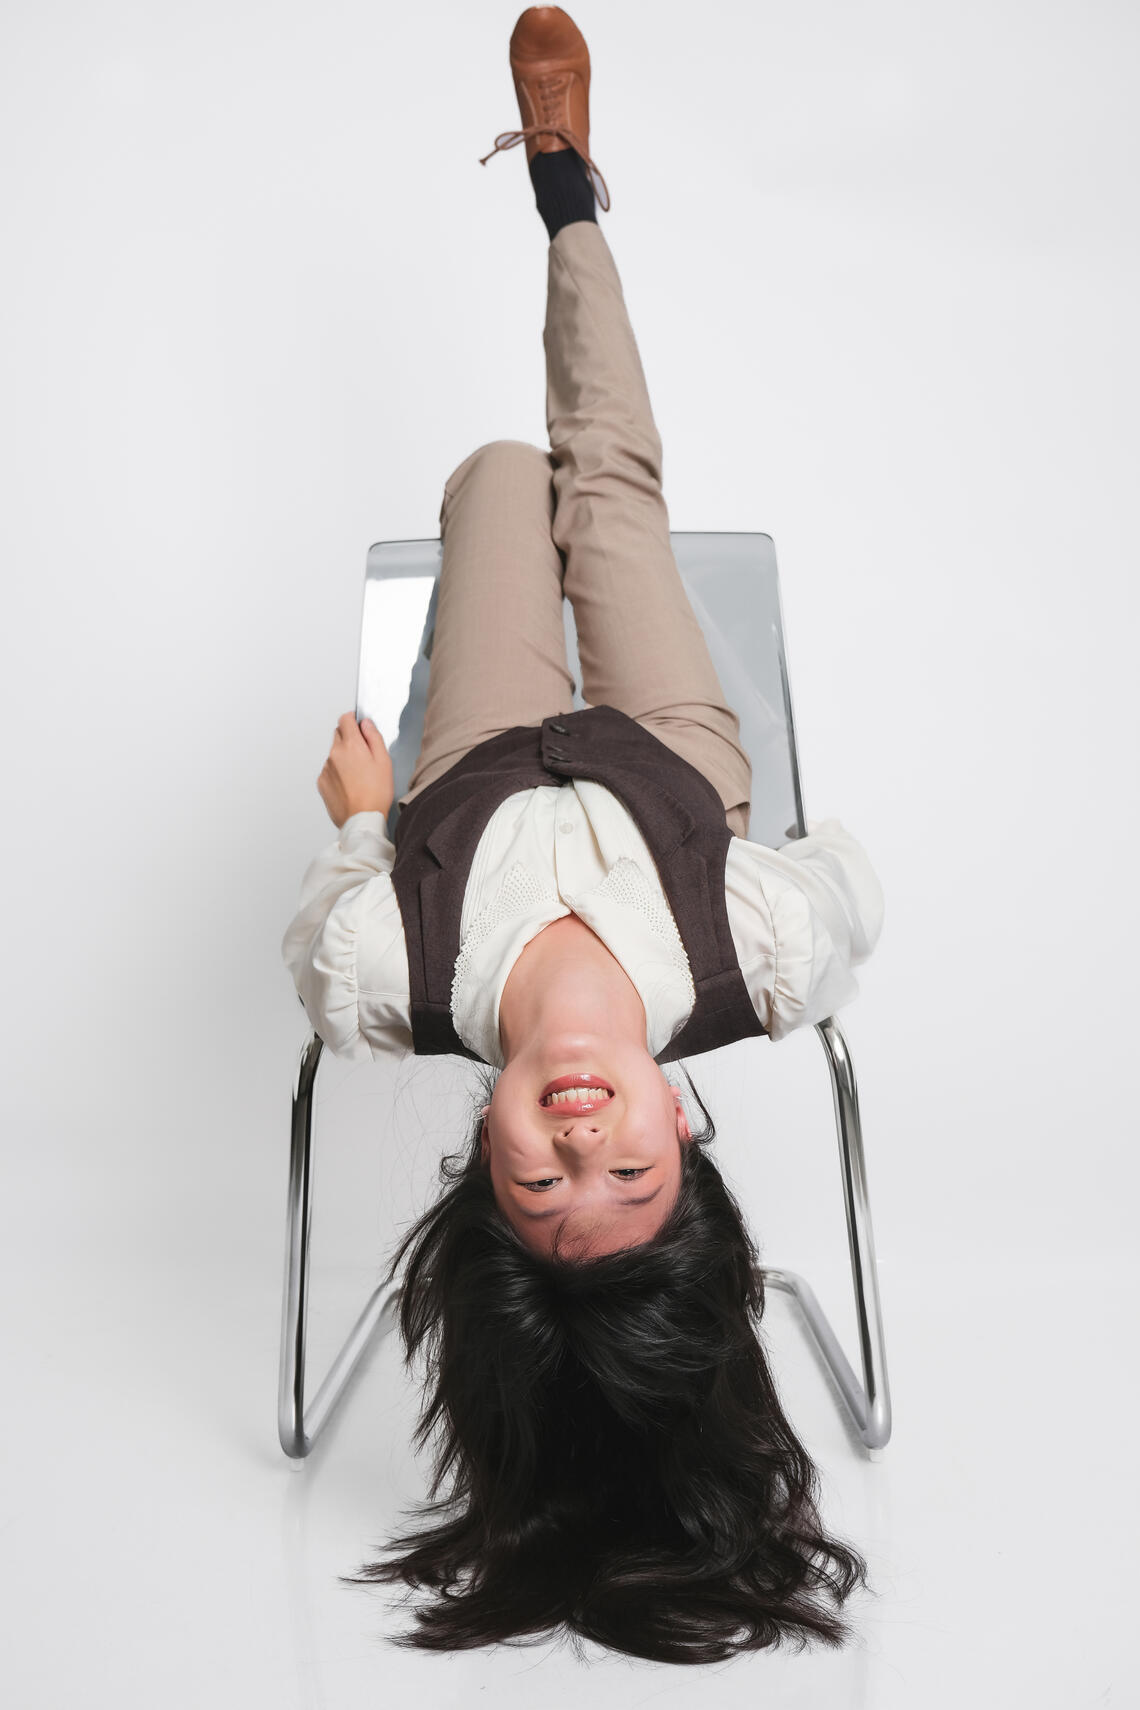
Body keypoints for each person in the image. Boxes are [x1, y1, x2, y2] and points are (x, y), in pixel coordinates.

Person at [281, 6, 885, 1665]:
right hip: (673, 759)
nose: (581, 1136)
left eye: (542, 1181)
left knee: (495, 475)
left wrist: (367, 822)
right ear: (686, 1133)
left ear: (478, 1164)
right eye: (629, 1172)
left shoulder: (380, 973)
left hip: (476, 756)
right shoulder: (753, 957)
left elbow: (332, 908)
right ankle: (564, 183)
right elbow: (856, 881)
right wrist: (781, 885)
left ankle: (519, 482)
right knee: (604, 482)